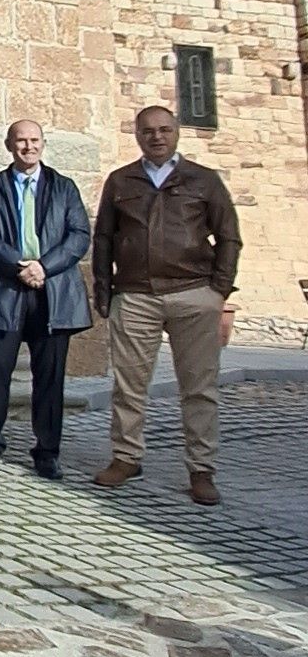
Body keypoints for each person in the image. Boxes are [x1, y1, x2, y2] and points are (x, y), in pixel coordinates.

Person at [91, 105, 241, 506]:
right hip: (136, 294)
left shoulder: (204, 180)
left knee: (199, 387)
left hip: (194, 292)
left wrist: (218, 291)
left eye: (164, 130)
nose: (156, 137)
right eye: (148, 131)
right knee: (129, 385)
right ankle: (126, 457)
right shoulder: (121, 181)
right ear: (137, 135)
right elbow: (103, 238)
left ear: (176, 132)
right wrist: (104, 290)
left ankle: (201, 468)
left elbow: (229, 236)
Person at [0, 119, 91, 479]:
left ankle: (47, 452)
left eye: (34, 140)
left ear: (43, 144)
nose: (28, 147)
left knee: (50, 378)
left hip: (53, 293)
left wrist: (44, 267)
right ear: (9, 145)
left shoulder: (64, 188)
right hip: (5, 291)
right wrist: (19, 265)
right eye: (21, 141)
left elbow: (78, 235)